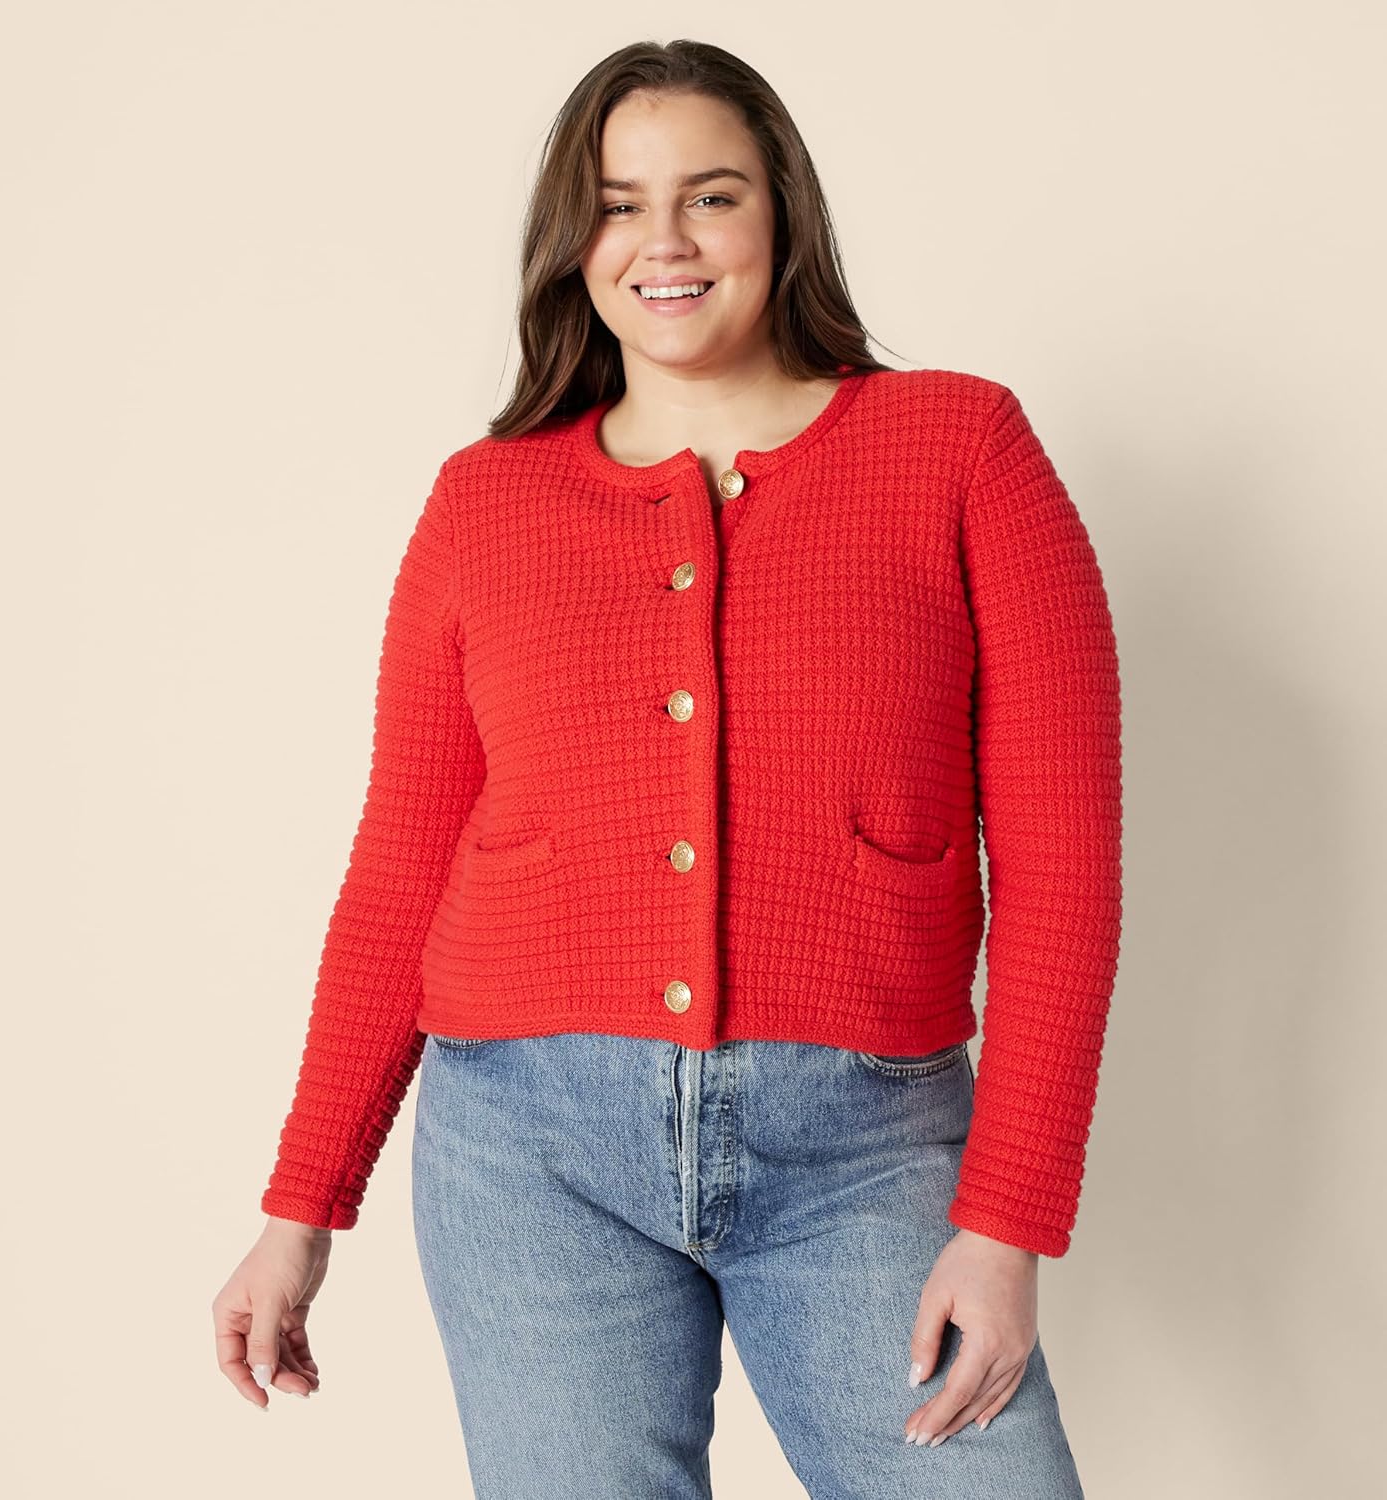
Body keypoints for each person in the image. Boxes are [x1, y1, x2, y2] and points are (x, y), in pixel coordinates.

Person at [211, 38, 1121, 1500]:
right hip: (528, 1156)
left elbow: (1064, 868)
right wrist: (303, 1203)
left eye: (712, 195)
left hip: (868, 1150)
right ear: (573, 243)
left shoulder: (960, 450)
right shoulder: (484, 503)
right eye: (620, 205)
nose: (666, 243)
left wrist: (1009, 1217)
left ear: (783, 214)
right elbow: (401, 869)